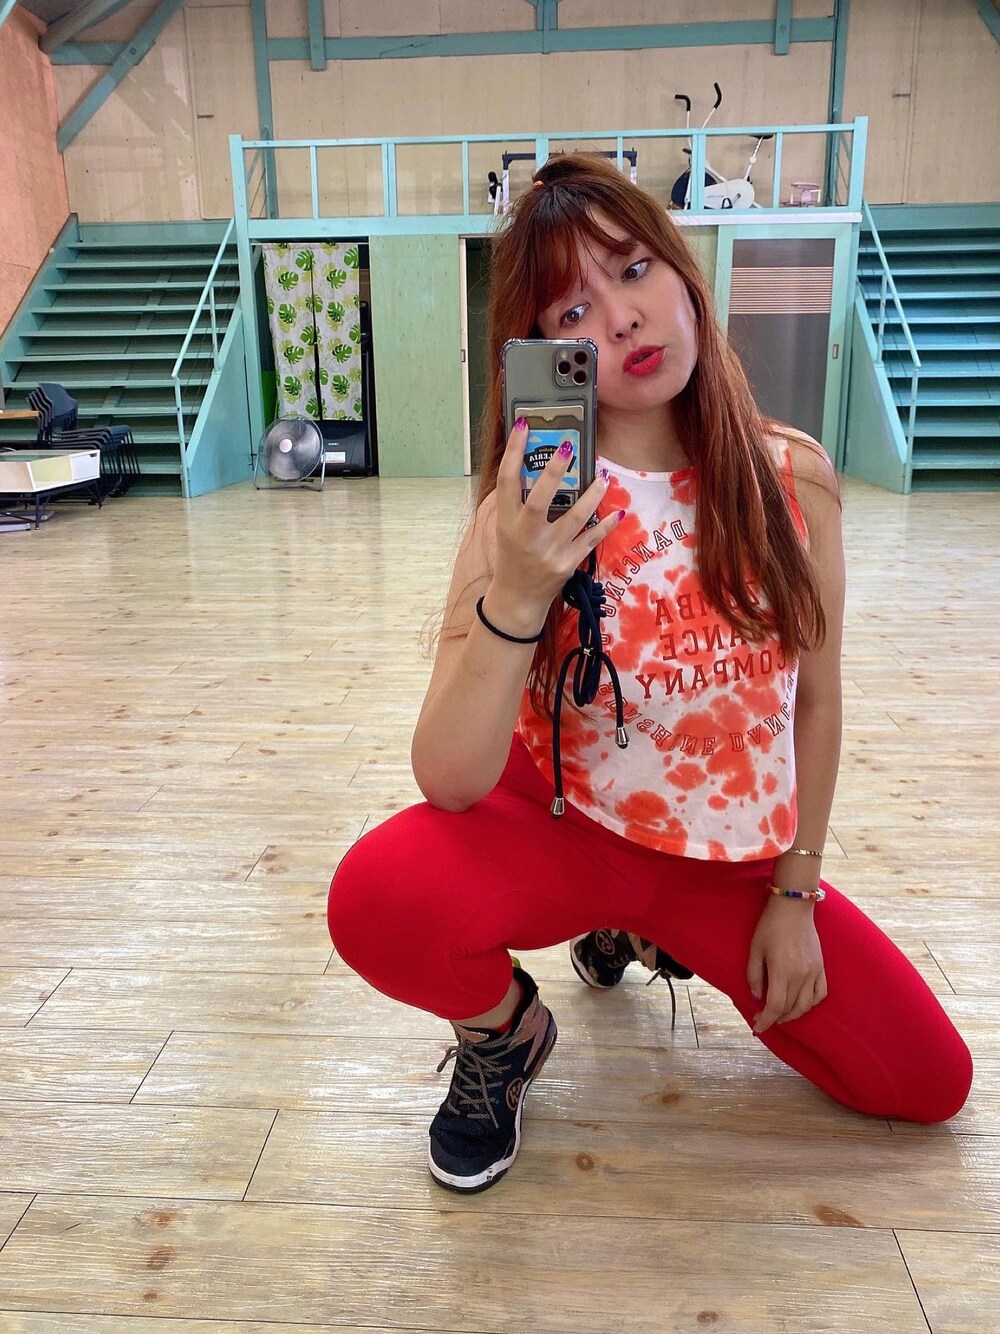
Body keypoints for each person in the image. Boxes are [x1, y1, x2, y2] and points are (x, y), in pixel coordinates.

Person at [328, 154, 973, 1194]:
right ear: (544, 352)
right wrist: (520, 590)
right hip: (568, 825)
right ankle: (507, 1032)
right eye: (573, 310)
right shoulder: (523, 512)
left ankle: (631, 933)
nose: (621, 318)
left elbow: (816, 697)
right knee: (379, 897)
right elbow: (448, 776)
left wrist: (795, 893)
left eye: (633, 270)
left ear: (683, 273)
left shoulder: (792, 477)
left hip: (728, 860)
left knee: (925, 1079)